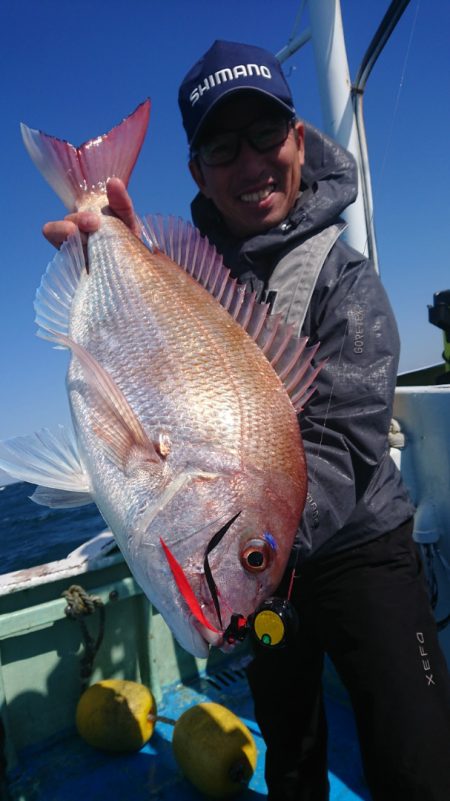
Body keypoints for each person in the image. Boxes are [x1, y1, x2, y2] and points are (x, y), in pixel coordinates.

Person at [43, 40, 450, 801]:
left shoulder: (345, 280)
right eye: (223, 146)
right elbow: (134, 377)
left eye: (266, 134)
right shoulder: (186, 261)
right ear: (196, 171)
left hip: (351, 547)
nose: (251, 160)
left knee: (419, 751)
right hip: (247, 564)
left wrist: (244, 546)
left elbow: (344, 445)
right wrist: (112, 252)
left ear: (299, 138)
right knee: (289, 749)